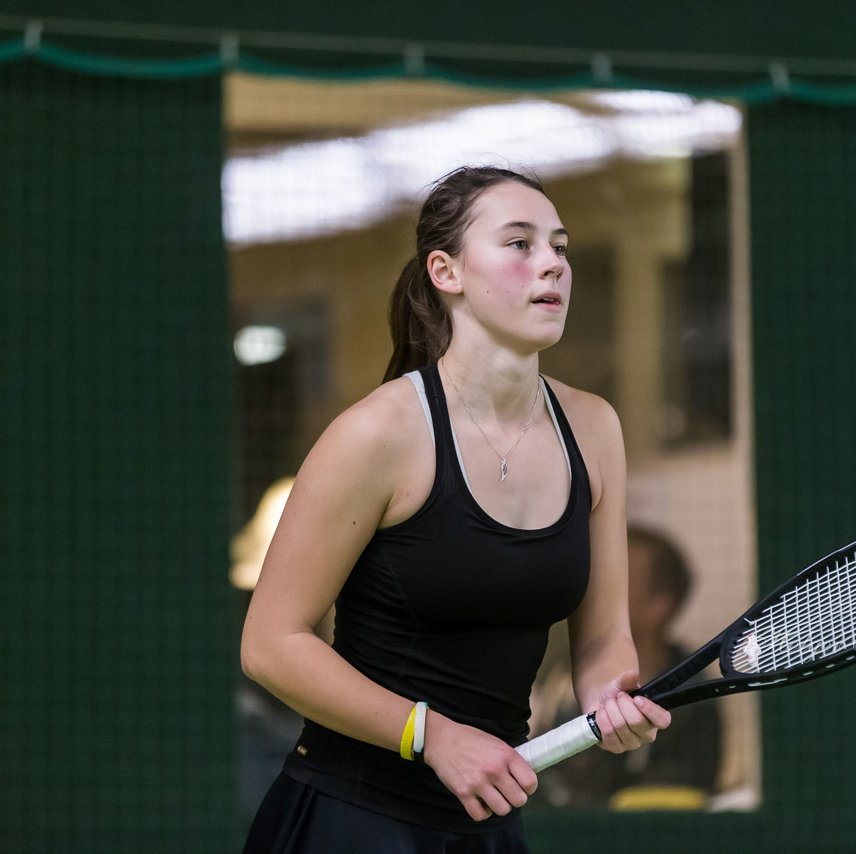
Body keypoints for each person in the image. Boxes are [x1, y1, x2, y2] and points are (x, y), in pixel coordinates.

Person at [240, 166, 671, 852]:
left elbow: (601, 638)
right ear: (446, 272)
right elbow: (270, 646)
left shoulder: (594, 428)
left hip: (487, 827)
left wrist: (608, 696)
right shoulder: (377, 434)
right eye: (520, 244)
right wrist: (430, 735)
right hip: (351, 820)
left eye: (559, 246)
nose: (553, 265)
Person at [534, 526, 723, 810]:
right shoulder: (559, 676)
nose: (594, 586)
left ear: (659, 605)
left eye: (620, 578)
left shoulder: (693, 699)